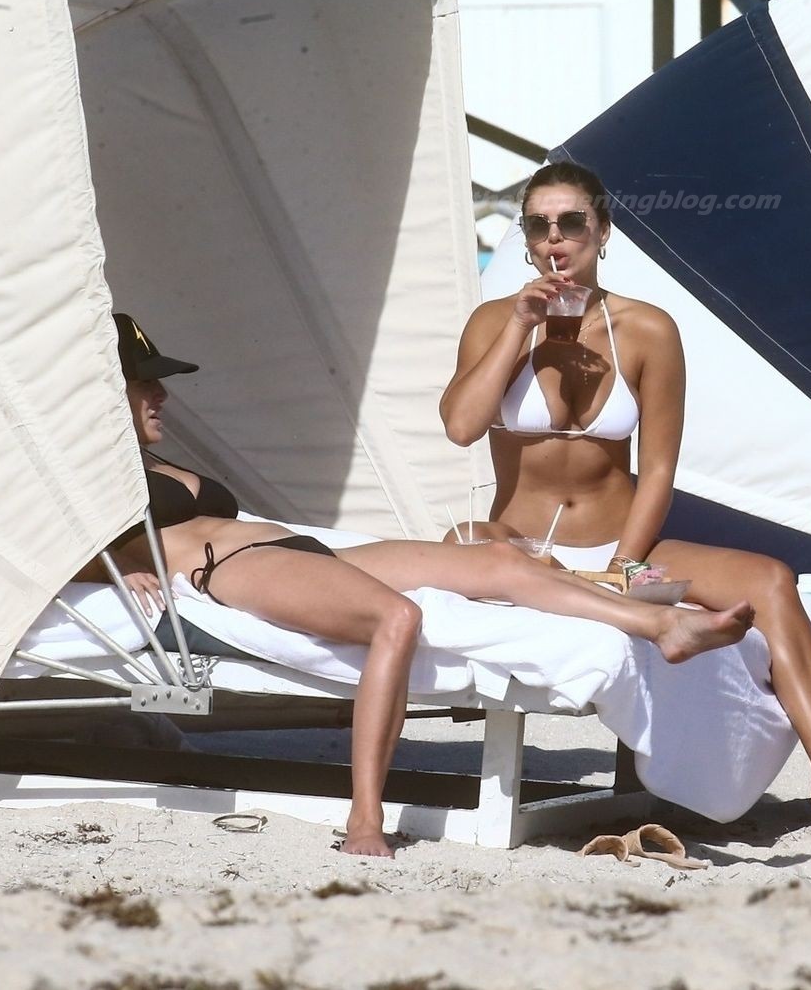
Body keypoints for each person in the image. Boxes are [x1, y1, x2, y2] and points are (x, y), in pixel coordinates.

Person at [106, 313, 757, 858]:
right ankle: (365, 817)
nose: (161, 395)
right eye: (145, 384)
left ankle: (661, 624)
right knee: (398, 618)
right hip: (230, 568)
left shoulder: (152, 457)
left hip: (287, 544)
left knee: (495, 559)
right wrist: (117, 564)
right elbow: (66, 544)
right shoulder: (98, 482)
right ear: (108, 392)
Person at [440, 161, 811, 814]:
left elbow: (659, 468)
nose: (555, 238)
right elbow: (461, 426)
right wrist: (521, 325)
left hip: (621, 544)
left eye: (572, 222)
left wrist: (624, 564)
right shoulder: (495, 321)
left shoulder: (647, 329)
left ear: (602, 231)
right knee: (464, 539)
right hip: (525, 545)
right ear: (524, 238)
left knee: (771, 578)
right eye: (538, 225)